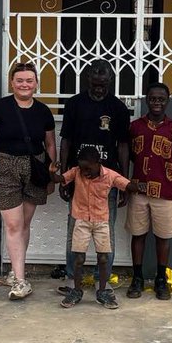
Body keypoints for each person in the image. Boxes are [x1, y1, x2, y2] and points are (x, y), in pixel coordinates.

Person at [0, 61, 57, 301]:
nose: (25, 84)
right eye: (20, 80)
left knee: (24, 224)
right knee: (13, 225)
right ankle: (21, 282)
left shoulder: (43, 111)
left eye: (29, 80)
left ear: (36, 84)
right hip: (5, 168)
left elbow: (50, 144)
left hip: (35, 168)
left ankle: (16, 271)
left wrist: (51, 173)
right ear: (12, 82)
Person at [57, 59, 131, 294]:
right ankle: (72, 279)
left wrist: (124, 182)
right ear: (87, 79)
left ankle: (103, 281)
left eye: (103, 84)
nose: (99, 88)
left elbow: (123, 146)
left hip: (107, 181)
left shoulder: (118, 108)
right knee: (74, 230)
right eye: (95, 83)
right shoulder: (74, 104)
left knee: (106, 233)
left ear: (110, 81)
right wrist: (63, 176)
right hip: (78, 180)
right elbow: (66, 140)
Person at [53, 145, 143, 308]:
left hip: (101, 222)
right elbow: (59, 179)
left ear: (98, 163)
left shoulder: (110, 175)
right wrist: (52, 172)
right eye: (82, 168)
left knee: (103, 258)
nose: (85, 172)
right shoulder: (76, 172)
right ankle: (76, 290)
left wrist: (137, 187)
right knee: (78, 258)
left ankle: (102, 291)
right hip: (81, 220)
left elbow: (127, 185)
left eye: (88, 168)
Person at [126, 82, 172, 300]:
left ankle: (161, 279)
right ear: (146, 100)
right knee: (138, 235)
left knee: (163, 236)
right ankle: (137, 278)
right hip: (139, 190)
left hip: (164, 192)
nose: (156, 103)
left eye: (161, 99)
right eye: (153, 99)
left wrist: (164, 174)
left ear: (167, 101)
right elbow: (130, 155)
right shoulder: (135, 127)